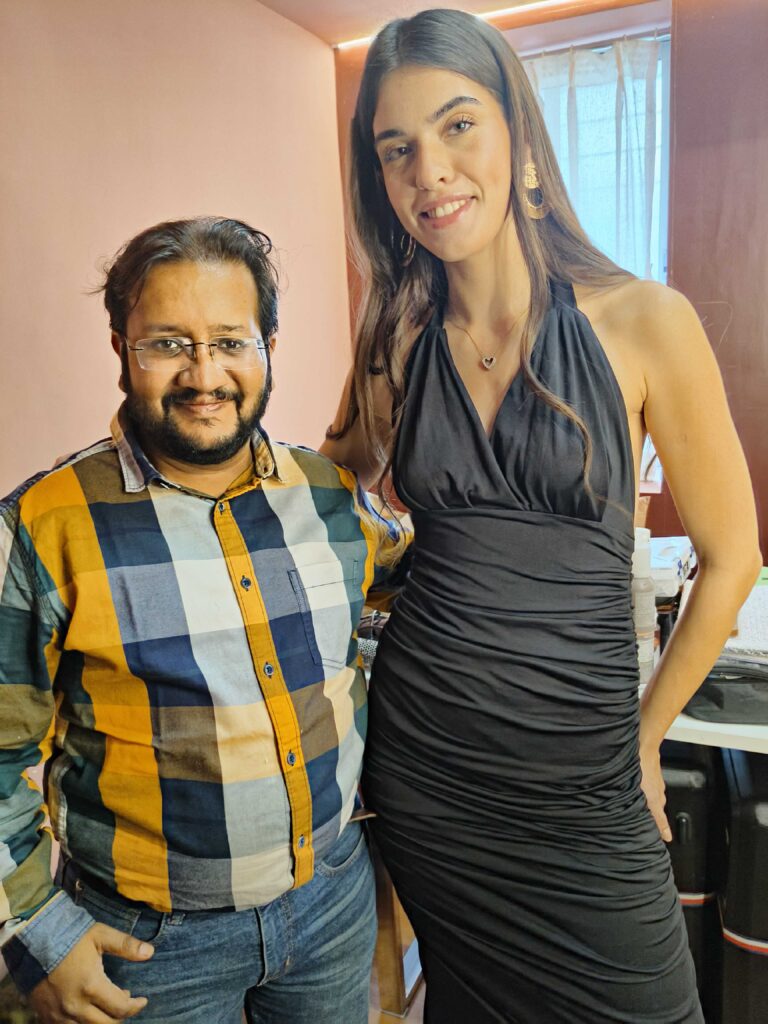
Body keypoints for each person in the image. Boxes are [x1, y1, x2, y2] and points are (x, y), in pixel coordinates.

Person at [321, 9, 761, 1023]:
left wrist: (645, 738)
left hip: (586, 781)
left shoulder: (644, 321)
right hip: (428, 771)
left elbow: (732, 559)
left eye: (457, 125)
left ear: (520, 138)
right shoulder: (396, 341)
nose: (430, 170)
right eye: (397, 149)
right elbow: (321, 486)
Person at [0, 216, 408, 1024]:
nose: (204, 374)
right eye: (168, 344)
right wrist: (36, 931)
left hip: (331, 905)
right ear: (121, 350)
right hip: (147, 944)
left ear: (268, 350)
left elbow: (423, 583)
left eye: (230, 342)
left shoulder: (332, 497)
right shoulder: (44, 527)